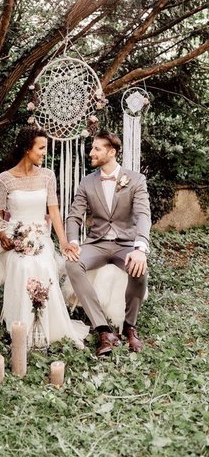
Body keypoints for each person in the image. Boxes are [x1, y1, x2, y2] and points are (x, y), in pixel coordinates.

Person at [0, 125, 89, 348]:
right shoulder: (4, 179)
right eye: (41, 148)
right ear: (26, 148)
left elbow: (54, 212)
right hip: (13, 237)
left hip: (40, 236)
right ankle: (20, 328)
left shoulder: (47, 176)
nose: (44, 153)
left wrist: (63, 242)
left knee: (44, 264)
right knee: (22, 266)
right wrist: (1, 235)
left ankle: (47, 326)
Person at [66, 130, 151, 357]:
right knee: (72, 264)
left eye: (97, 149)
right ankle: (103, 329)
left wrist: (140, 248)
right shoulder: (87, 181)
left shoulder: (136, 180)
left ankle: (129, 326)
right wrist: (73, 241)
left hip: (126, 244)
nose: (91, 153)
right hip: (98, 243)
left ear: (111, 152)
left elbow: (143, 215)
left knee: (139, 269)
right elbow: (74, 216)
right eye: (92, 148)